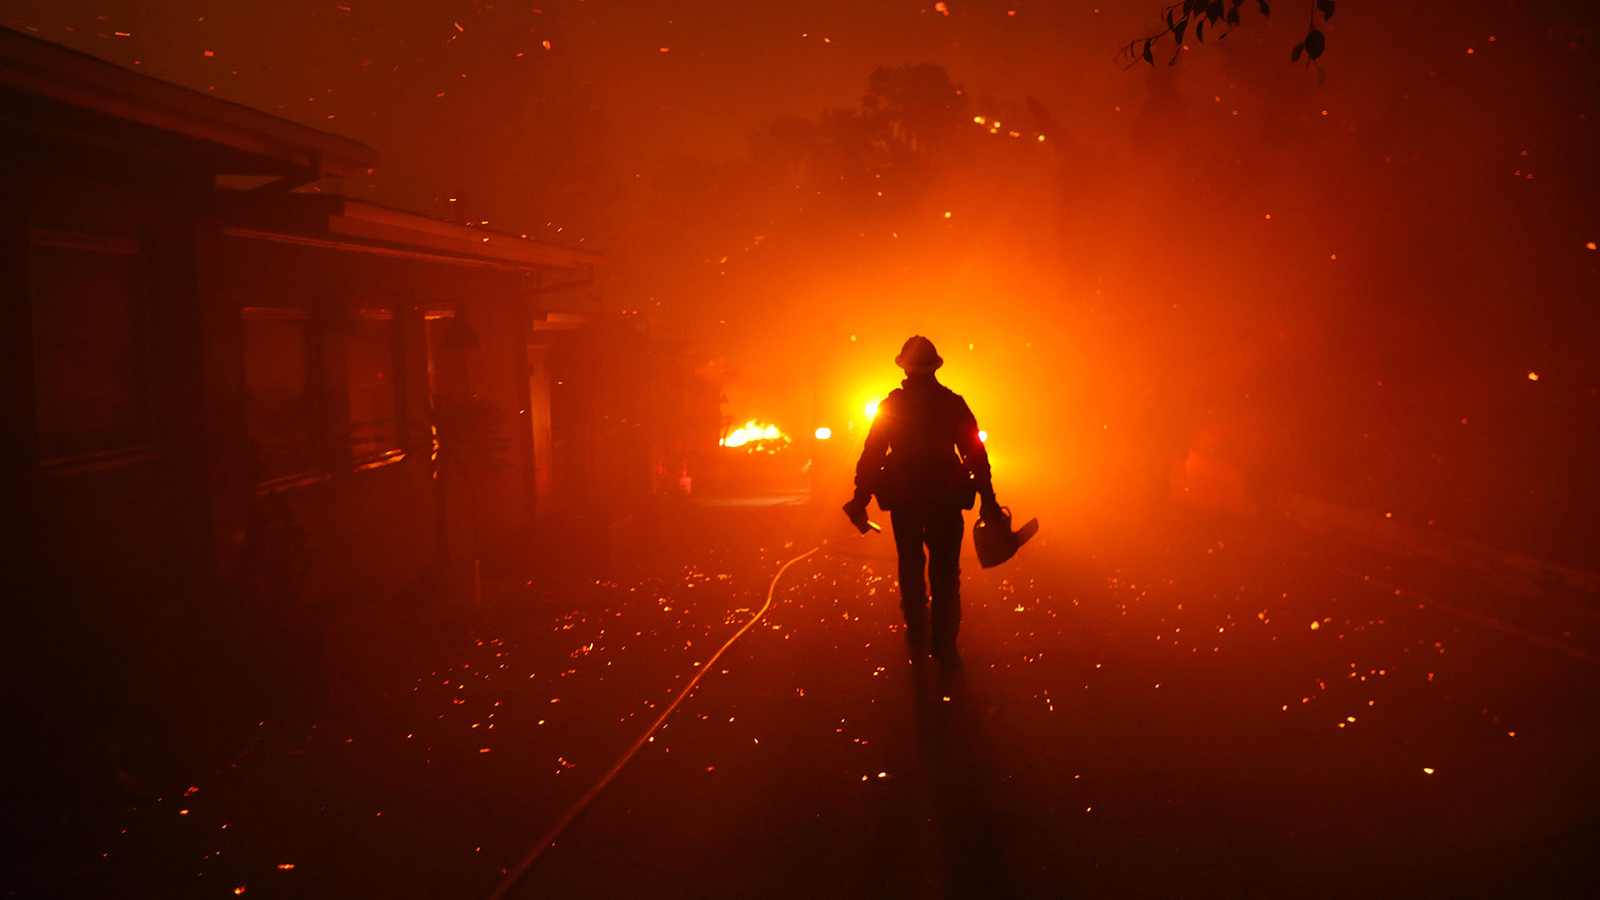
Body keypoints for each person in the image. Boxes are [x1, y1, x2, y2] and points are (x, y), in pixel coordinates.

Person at [843, 336, 1002, 666]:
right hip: (945, 496)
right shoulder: (952, 403)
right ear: (934, 368)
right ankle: (944, 644)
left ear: (904, 367)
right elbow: (975, 455)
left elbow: (872, 454)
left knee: (911, 565)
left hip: (906, 497)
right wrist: (988, 501)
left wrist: (860, 498)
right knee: (945, 572)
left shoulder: (892, 406)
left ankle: (917, 633)